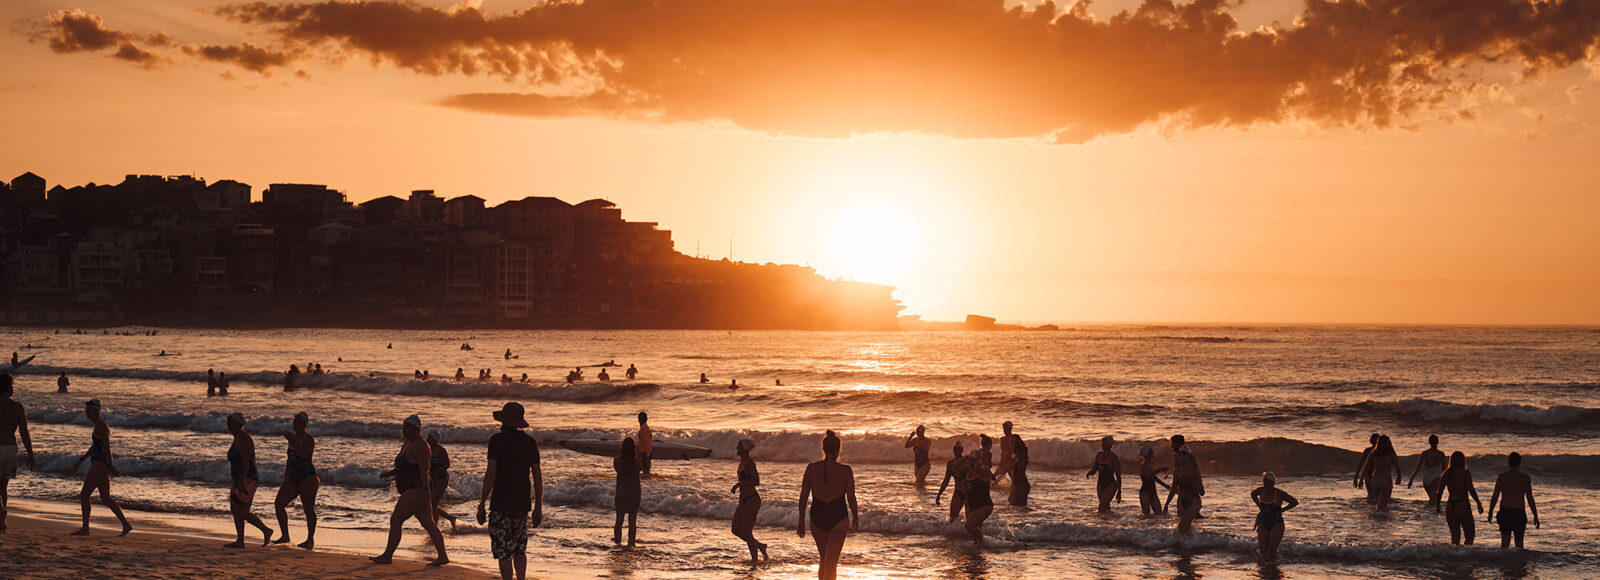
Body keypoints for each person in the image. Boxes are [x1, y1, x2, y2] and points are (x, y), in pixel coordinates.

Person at [371, 414, 449, 566]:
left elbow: (424, 469)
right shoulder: (408, 443)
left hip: (417, 490)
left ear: (416, 428)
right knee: (429, 524)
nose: (404, 430)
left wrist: (426, 490)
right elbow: (401, 466)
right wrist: (388, 474)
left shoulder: (420, 445)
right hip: (416, 491)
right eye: (403, 426)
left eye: (407, 427)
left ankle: (387, 556)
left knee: (396, 519)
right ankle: (442, 556)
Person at [478, 402, 543, 580]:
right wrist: (538, 507)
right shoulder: (530, 442)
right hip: (522, 504)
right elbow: (538, 478)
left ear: (503, 421)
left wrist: (482, 503)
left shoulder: (496, 441)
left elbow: (490, 474)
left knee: (504, 550)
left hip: (501, 503)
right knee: (519, 547)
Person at [798, 431, 858, 580]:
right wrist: (856, 517)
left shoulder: (811, 468)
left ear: (823, 449)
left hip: (817, 517)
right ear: (838, 450)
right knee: (831, 563)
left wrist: (800, 520)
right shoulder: (846, 470)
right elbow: (851, 497)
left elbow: (803, 496)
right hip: (838, 516)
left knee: (824, 560)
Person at [69, 399, 133, 536]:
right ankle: (126, 525)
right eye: (86, 409)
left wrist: (111, 466)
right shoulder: (97, 425)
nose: (87, 412)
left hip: (100, 464)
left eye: (90, 409)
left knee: (84, 495)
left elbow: (106, 447)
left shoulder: (101, 426)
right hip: (100, 464)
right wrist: (81, 460)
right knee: (105, 497)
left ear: (96, 411)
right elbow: (95, 447)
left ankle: (85, 528)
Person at [223, 412, 272, 547]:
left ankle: (266, 530)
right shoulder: (237, 437)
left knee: (242, 511)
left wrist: (243, 481)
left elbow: (245, 461)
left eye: (230, 422)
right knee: (235, 509)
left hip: (247, 478)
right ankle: (240, 540)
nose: (227, 424)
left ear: (237, 424)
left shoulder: (244, 438)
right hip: (239, 478)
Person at [273, 412, 319, 549]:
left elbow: (304, 455)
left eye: (298, 421)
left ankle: (310, 540)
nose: (295, 423)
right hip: (293, 476)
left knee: (308, 509)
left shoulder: (308, 439)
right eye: (294, 421)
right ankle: (285, 535)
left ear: (304, 424)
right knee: (279, 503)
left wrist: (293, 442)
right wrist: (286, 477)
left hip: (308, 476)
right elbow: (290, 459)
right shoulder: (292, 438)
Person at [1, 374, 37, 532]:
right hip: (11, 449)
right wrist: (30, 453)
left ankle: (0, 513)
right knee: (3, 487)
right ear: (8, 388)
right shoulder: (17, 407)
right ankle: (2, 520)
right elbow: (24, 432)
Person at [1487, 452, 1540, 549]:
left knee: (1504, 545)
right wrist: (1535, 516)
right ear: (1519, 463)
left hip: (1505, 511)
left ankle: (1504, 563)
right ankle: (1518, 563)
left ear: (1508, 462)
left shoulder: (1502, 477)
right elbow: (1529, 498)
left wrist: (1490, 511)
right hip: (1519, 512)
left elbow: (1495, 495)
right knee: (1519, 546)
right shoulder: (1525, 478)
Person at [731, 439, 768, 561]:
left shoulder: (749, 463)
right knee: (735, 529)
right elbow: (744, 480)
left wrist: (739, 484)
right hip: (744, 499)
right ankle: (760, 546)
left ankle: (754, 562)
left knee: (747, 532)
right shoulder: (742, 461)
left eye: (738, 446)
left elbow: (756, 481)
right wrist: (739, 485)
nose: (736, 447)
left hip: (752, 499)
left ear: (744, 449)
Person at [1251, 472, 1299, 561]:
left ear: (1273, 482)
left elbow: (1294, 502)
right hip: (1263, 522)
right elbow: (1253, 494)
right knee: (1263, 552)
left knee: (1271, 552)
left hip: (1276, 523)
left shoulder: (1279, 493)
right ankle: (1267, 571)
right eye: (1264, 481)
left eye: (1268, 481)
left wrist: (1282, 510)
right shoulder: (1260, 490)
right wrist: (1259, 505)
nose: (1265, 483)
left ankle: (1275, 565)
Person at [1164, 435, 1205, 534]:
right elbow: (1174, 486)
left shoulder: (1193, 468)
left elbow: (1202, 491)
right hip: (1182, 498)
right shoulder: (1178, 468)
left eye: (1173, 443)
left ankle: (1199, 542)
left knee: (1182, 526)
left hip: (1193, 498)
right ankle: (1190, 546)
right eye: (1179, 456)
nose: (1180, 457)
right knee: (1185, 528)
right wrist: (1166, 503)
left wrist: (1192, 480)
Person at [1441, 451, 1484, 545]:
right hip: (1462, 504)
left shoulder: (1446, 473)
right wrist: (1478, 503)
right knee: (1469, 537)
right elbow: (1471, 489)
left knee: (1455, 539)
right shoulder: (1465, 473)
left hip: (1450, 506)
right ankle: (1465, 557)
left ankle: (1455, 557)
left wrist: (1437, 506)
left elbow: (1439, 491)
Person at [1359, 435, 1403, 512]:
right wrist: (1399, 476)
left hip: (1375, 480)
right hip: (1385, 479)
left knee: (1377, 502)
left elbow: (1366, 467)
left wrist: (1361, 479)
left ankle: (1377, 517)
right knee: (1383, 503)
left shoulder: (1374, 453)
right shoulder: (1391, 454)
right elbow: (1397, 467)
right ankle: (1380, 519)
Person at [426, 431, 458, 531]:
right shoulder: (428, 449)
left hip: (441, 479)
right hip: (431, 479)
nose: (427, 439)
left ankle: (434, 528)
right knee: (430, 505)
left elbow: (447, 465)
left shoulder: (441, 450)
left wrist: (435, 473)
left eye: (430, 437)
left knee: (432, 505)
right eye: (428, 436)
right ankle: (450, 518)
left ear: (435, 440)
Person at [1406, 435, 1447, 513]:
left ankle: (1429, 515)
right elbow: (1444, 469)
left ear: (1429, 442)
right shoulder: (1441, 454)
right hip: (1436, 477)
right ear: (1438, 442)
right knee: (1432, 500)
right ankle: (1432, 515)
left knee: (1432, 499)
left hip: (1426, 479)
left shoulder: (1425, 453)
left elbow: (1418, 467)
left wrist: (1411, 480)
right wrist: (1448, 480)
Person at [613, 438, 642, 546]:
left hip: (621, 493)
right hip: (634, 494)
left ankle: (617, 542)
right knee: (632, 521)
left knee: (619, 520)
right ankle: (631, 543)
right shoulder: (638, 463)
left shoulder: (617, 462)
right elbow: (641, 467)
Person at [1086, 435, 1122, 512]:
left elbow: (1118, 476)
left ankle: (1102, 522)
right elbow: (1094, 469)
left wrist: (1119, 492)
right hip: (1100, 484)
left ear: (1109, 445)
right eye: (1102, 443)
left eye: (1104, 443)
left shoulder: (1114, 457)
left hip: (1111, 484)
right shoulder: (1099, 455)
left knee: (1101, 507)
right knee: (1105, 507)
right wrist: (1089, 473)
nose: (1102, 445)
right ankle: (1107, 522)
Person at [935, 441, 968, 523]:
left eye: (959, 449)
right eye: (955, 449)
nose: (957, 451)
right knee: (952, 519)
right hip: (957, 492)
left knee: (969, 519)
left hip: (968, 493)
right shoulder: (950, 464)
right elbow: (946, 480)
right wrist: (939, 494)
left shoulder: (966, 462)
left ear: (962, 450)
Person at [1137, 446, 1171, 515]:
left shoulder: (1152, 463)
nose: (1152, 451)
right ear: (1147, 454)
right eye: (1150, 450)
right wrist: (1165, 485)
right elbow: (1152, 476)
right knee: (1146, 515)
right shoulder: (1144, 465)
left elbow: (1152, 474)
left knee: (1159, 514)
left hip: (1153, 491)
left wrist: (1162, 469)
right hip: (1145, 492)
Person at [1355, 433, 1379, 504]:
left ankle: (1371, 511)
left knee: (1370, 495)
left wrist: (1356, 478)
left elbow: (1361, 464)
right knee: (1378, 495)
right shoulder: (1383, 451)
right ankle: (1379, 510)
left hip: (1368, 475)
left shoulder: (1367, 451)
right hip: (1379, 475)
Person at [1008, 435, 1030, 506]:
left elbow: (1018, 476)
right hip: (1021, 486)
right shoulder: (1019, 459)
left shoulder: (1020, 460)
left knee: (1018, 507)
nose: (1010, 445)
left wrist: (1014, 491)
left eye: (1012, 443)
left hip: (1020, 487)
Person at [636, 412, 653, 476]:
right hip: (644, 454)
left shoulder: (644, 429)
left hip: (645, 454)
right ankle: (646, 484)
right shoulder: (644, 428)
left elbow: (647, 443)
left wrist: (648, 456)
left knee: (646, 473)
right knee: (645, 473)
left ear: (639, 419)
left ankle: (647, 485)